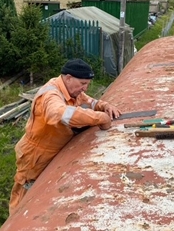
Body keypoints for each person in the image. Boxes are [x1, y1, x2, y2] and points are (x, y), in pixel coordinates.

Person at [9, 58, 122, 215]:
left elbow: (89, 101)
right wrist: (99, 118)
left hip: (53, 148)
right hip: (36, 155)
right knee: (26, 194)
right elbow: (58, 113)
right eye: (83, 83)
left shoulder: (71, 90)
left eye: (87, 84)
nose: (84, 88)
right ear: (68, 77)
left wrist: (104, 106)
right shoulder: (51, 94)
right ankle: (14, 225)